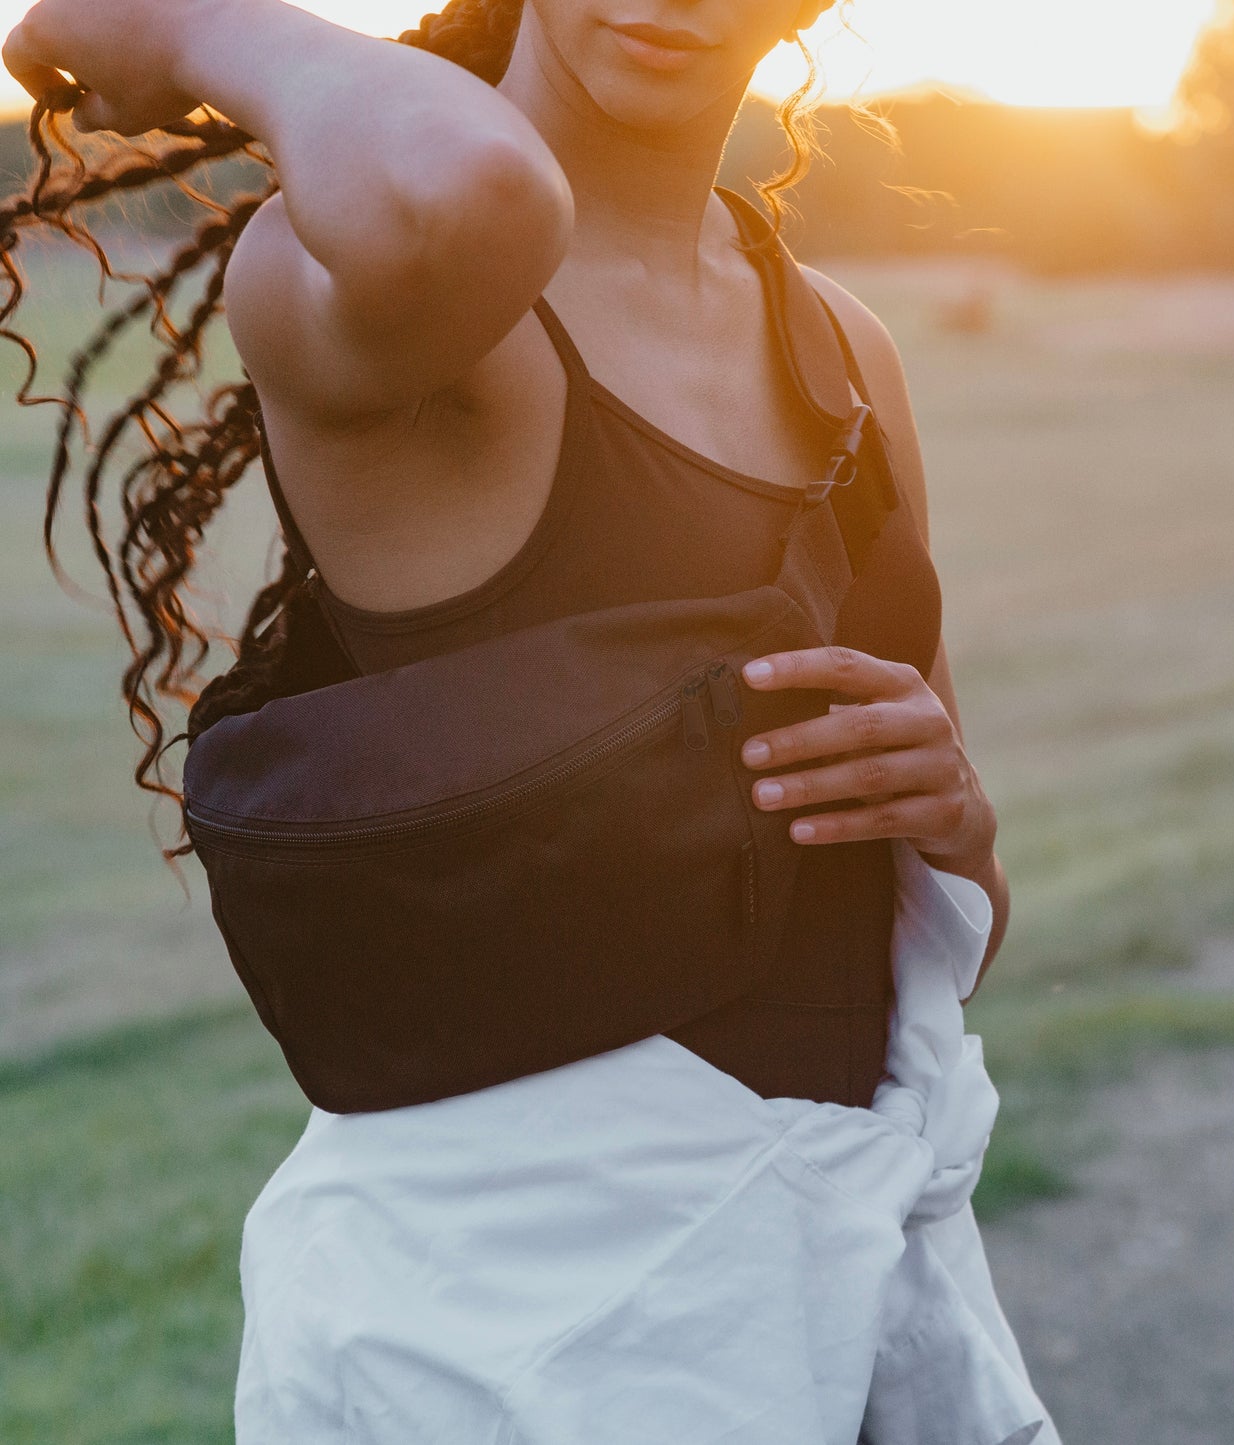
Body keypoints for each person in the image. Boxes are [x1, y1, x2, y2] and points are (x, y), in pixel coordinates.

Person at [2, 2, 1059, 1439]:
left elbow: (933, 951)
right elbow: (471, 188)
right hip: (517, 1346)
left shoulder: (843, 354)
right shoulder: (413, 297)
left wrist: (959, 830)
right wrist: (184, 23)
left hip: (831, 1312)